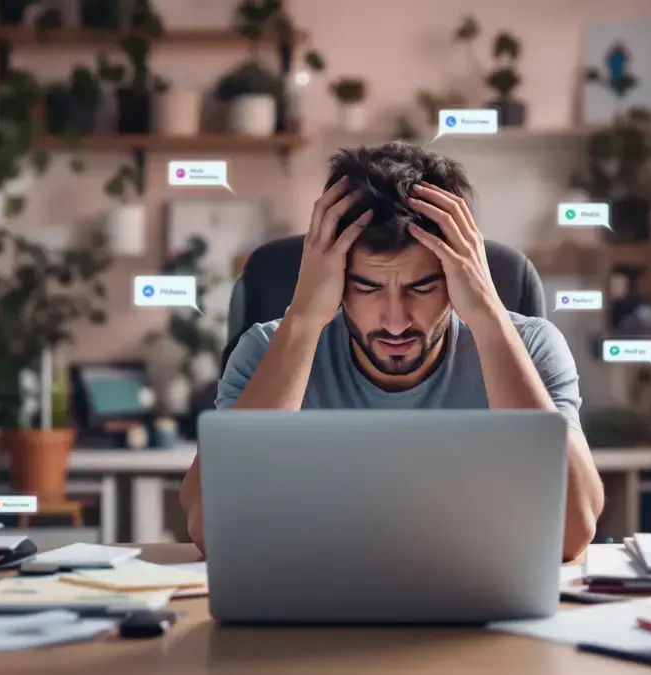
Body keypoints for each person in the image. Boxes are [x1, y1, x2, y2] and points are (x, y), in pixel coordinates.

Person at [180, 142, 604, 562]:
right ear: (334, 277)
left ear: (461, 275)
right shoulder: (264, 352)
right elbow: (211, 529)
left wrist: (488, 314)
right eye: (367, 287)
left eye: (423, 287)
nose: (396, 321)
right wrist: (304, 316)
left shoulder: (531, 346)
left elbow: (571, 534)